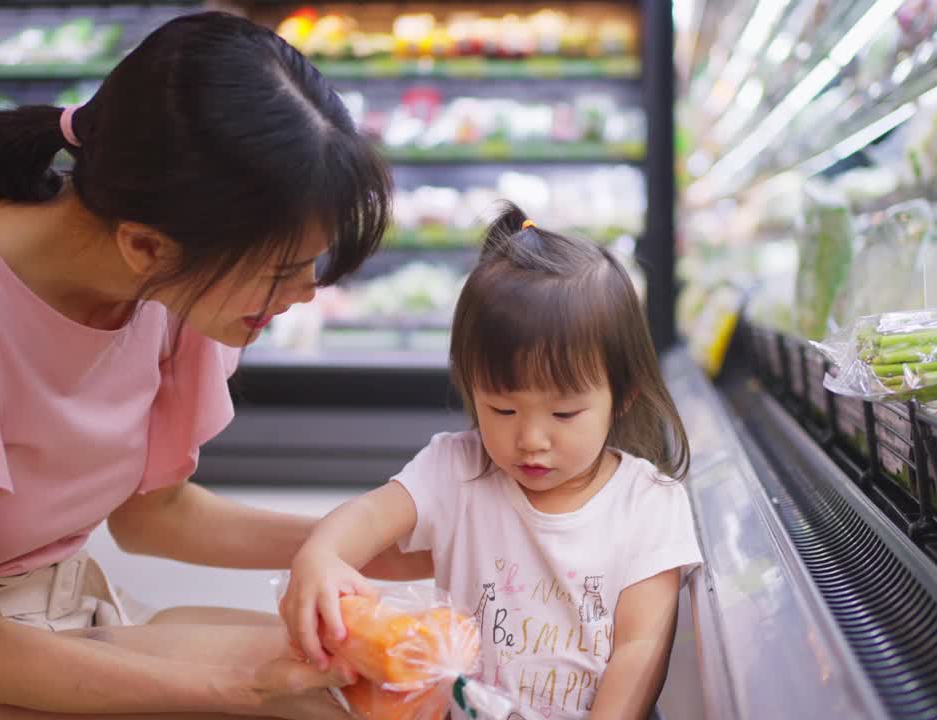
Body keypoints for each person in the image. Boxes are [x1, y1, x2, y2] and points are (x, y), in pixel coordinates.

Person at [0, 11, 431, 720]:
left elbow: (153, 516)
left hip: (64, 614)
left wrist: (379, 548)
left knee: (376, 689)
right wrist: (236, 692)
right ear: (146, 246)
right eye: (282, 270)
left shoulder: (171, 276)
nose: (307, 293)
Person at [282, 205, 704, 720]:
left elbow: (641, 646)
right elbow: (371, 516)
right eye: (501, 408)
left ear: (623, 395)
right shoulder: (456, 469)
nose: (530, 439)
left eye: (564, 412)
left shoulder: (648, 503)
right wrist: (322, 554)